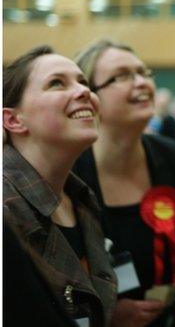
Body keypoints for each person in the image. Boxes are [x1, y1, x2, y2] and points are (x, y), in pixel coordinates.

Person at [73, 39, 175, 327]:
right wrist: (105, 313)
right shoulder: (72, 169)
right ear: (91, 97)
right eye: (122, 76)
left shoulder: (169, 155)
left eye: (143, 73)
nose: (141, 83)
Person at [2, 45, 116, 326]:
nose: (83, 92)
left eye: (83, 82)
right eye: (57, 83)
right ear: (13, 120)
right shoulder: (5, 206)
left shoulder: (81, 198)